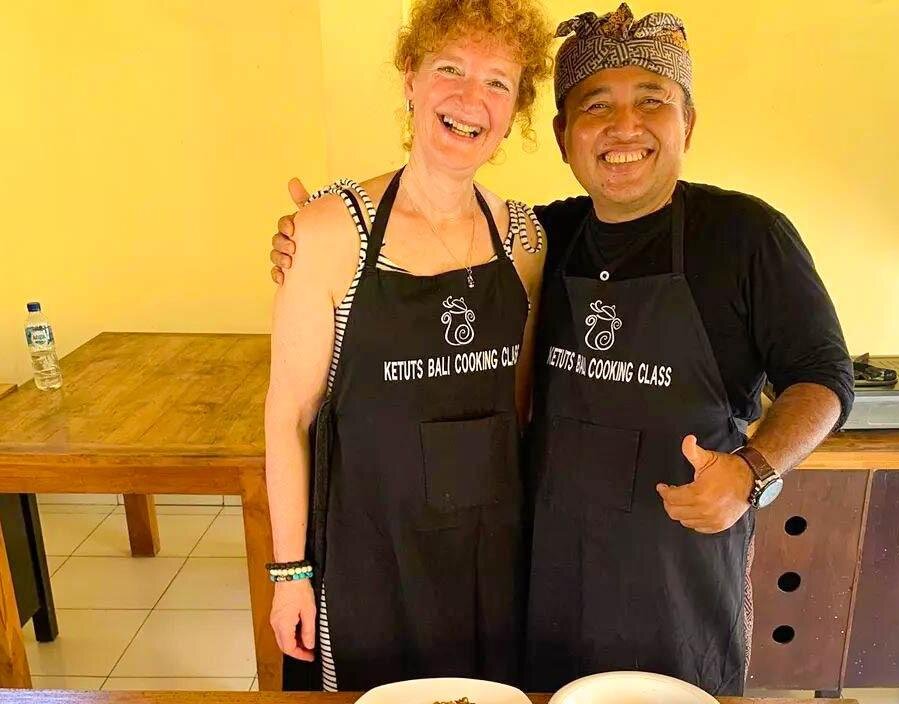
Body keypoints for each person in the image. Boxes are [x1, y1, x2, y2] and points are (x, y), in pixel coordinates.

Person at [269, 3, 854, 696]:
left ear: (688, 123)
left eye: (652, 101)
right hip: (544, 579)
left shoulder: (742, 235)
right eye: (596, 105)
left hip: (676, 582)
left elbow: (824, 377)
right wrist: (315, 231)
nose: (624, 126)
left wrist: (752, 470)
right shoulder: (547, 236)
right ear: (561, 135)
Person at [263, 0, 550, 692]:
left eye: (497, 82)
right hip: (367, 549)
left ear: (514, 110)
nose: (470, 99)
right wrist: (289, 573)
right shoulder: (329, 233)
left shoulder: (525, 241)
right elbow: (288, 416)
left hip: (488, 557)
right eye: (450, 69)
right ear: (411, 79)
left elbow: (517, 411)